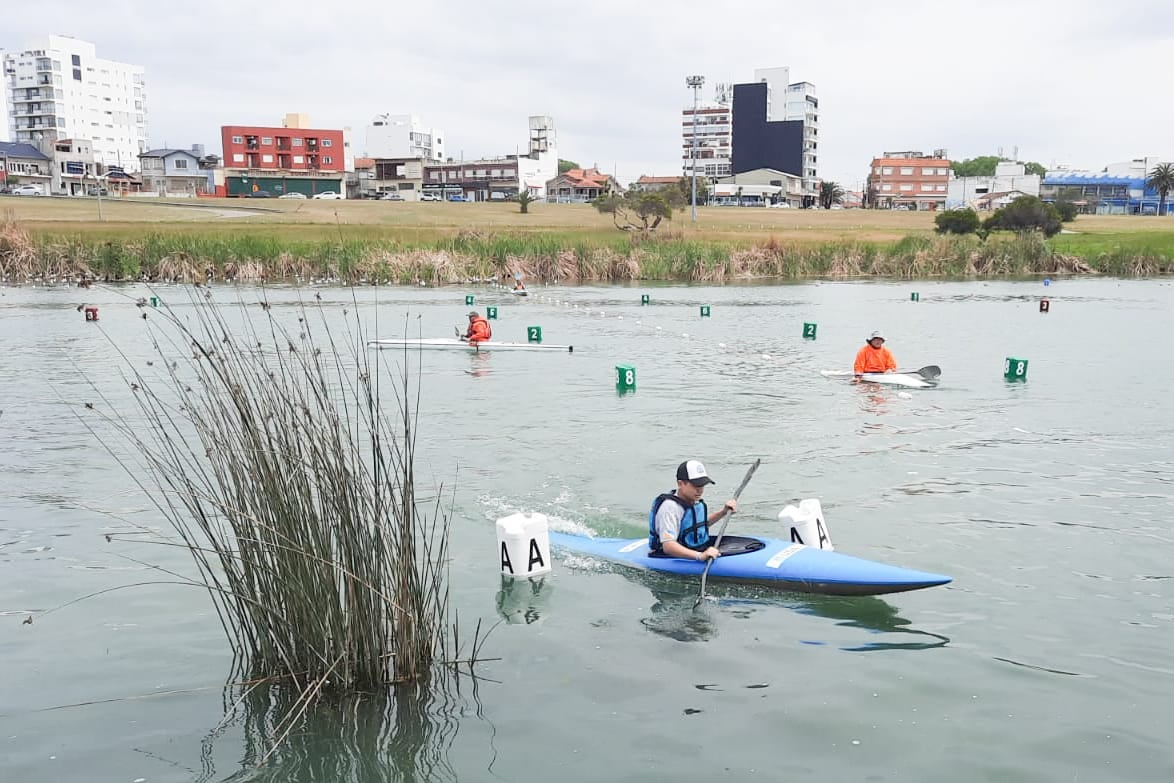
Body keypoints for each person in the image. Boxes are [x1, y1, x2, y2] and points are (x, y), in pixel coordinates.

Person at [648, 460, 738, 562]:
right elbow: (668, 546)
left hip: (694, 548)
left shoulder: (693, 500)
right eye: (695, 485)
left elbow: (698, 525)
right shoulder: (670, 508)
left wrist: (723, 512)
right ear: (680, 484)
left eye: (702, 485)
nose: (700, 490)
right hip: (669, 555)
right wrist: (700, 556)